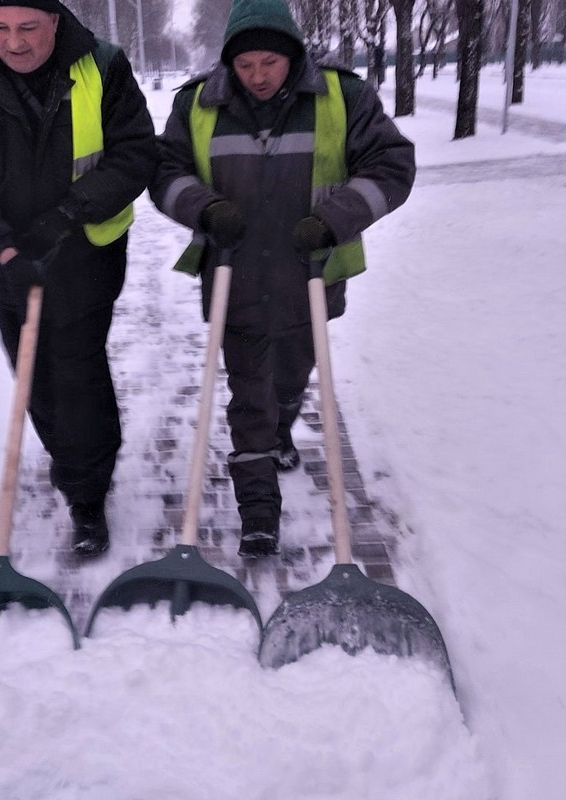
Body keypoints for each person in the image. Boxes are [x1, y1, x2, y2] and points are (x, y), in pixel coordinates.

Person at [149, 0, 415, 557]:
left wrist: (333, 220)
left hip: (310, 273)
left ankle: (281, 429)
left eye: (269, 63)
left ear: (292, 55)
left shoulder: (343, 96)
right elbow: (164, 171)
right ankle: (259, 513)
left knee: (290, 380)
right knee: (250, 395)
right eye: (245, 66)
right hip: (234, 275)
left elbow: (391, 165)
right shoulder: (197, 103)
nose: (258, 76)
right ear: (229, 62)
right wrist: (204, 208)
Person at [0, 0, 156, 557]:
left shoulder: (102, 67)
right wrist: (0, 244)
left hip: (83, 257)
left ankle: (87, 496)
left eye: (29, 27)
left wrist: (70, 213)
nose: (14, 41)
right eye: (0, 27)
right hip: (4, 261)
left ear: (57, 20)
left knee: (77, 376)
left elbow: (135, 152)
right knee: (35, 381)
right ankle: (70, 464)